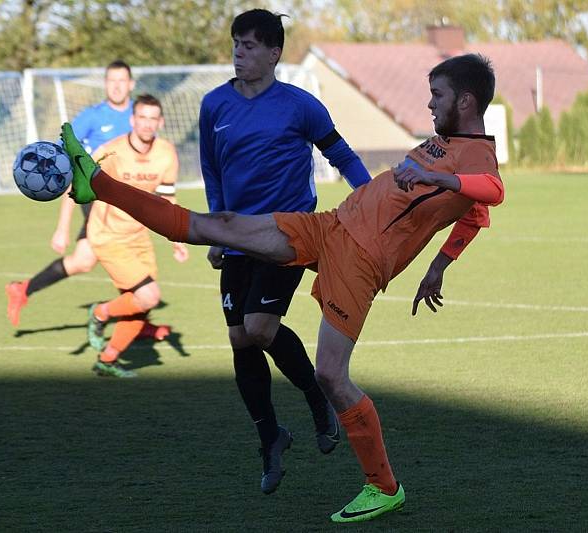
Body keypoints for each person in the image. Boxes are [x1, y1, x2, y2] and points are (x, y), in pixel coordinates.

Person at [62, 52, 504, 523]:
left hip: (360, 261)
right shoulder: (445, 140)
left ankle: (384, 487)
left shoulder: (477, 155)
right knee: (223, 225)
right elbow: (473, 214)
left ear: (467, 100)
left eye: (437, 95)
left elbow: (491, 192)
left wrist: (441, 178)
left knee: (331, 376)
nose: (429, 104)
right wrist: (439, 265)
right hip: (331, 226)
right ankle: (101, 185)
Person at [199, 9, 373, 495]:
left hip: (288, 232)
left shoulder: (301, 106)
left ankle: (317, 398)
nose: (239, 52)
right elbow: (212, 171)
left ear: (274, 53)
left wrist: (370, 204)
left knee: (258, 328)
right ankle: (270, 437)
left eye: (250, 45)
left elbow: (343, 156)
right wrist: (217, 228)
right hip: (237, 235)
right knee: (240, 340)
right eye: (236, 43)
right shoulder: (214, 106)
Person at [6, 60, 166, 341]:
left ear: (130, 84)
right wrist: (62, 226)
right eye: (111, 80)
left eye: (122, 81)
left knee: (83, 260)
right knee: (113, 253)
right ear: (105, 84)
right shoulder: (91, 118)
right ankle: (137, 318)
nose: (116, 86)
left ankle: (23, 290)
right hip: (100, 200)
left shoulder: (140, 116)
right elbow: (67, 165)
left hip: (129, 202)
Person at [82, 93, 188, 378]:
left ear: (160, 122)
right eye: (142, 117)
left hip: (138, 234)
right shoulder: (111, 151)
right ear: (132, 119)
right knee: (148, 295)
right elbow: (80, 183)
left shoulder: (166, 153)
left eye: (153, 118)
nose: (147, 124)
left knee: (139, 307)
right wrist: (65, 228)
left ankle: (107, 359)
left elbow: (168, 199)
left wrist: (177, 238)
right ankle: (100, 313)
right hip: (108, 235)